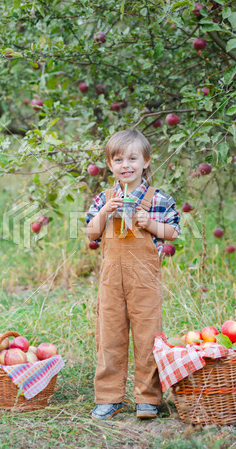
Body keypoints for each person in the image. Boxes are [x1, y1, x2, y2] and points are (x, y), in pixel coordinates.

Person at [86, 129, 181, 420]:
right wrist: (105, 213)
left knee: (148, 338)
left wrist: (150, 223)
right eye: (118, 159)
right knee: (110, 337)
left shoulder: (157, 198)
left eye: (132, 158)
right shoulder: (105, 197)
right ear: (110, 165)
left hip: (145, 282)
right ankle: (109, 397)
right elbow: (91, 232)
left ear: (145, 161)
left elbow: (174, 232)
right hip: (112, 281)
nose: (125, 164)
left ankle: (148, 399)